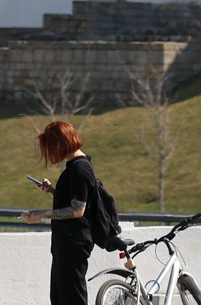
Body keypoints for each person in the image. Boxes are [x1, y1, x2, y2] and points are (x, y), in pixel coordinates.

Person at [21, 121, 124, 305]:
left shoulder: (79, 168)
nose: (50, 154)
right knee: (60, 298)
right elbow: (77, 200)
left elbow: (78, 210)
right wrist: (52, 191)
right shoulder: (75, 167)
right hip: (67, 242)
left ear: (61, 144)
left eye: (51, 148)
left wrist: (42, 214)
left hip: (74, 243)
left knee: (71, 299)